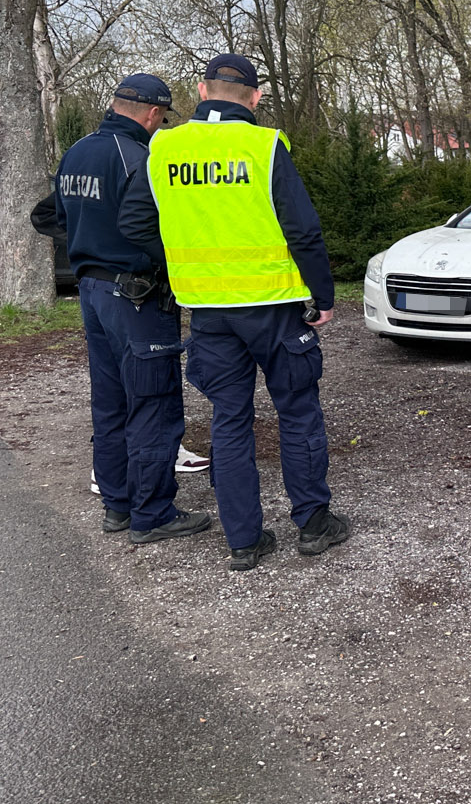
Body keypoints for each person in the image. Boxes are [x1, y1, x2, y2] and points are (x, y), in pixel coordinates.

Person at [120, 54, 349, 571]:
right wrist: (324, 295)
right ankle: (313, 524)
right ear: (256, 98)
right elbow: (304, 230)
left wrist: (182, 261)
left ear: (201, 91)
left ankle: (243, 539)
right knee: (297, 412)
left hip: (208, 311)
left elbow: (134, 221)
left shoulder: (164, 146)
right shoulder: (265, 146)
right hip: (273, 306)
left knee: (229, 419)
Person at [45, 75, 211, 545]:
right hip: (137, 295)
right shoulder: (139, 157)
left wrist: (90, 241)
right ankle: (153, 512)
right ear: (154, 114)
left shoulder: (77, 152)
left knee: (111, 401)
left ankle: (117, 504)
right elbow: (151, 224)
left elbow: (54, 215)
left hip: (92, 293)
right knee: (153, 403)